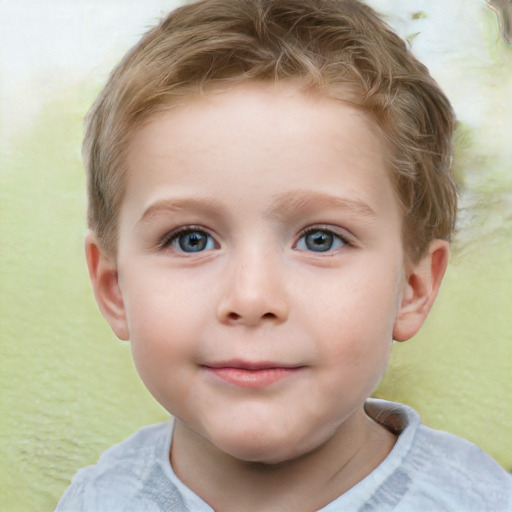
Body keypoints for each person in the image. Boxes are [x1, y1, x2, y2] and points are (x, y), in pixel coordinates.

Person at [55, 0, 512, 510]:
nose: (251, 298)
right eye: (191, 239)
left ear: (413, 289)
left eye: (321, 239)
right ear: (114, 289)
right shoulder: (95, 499)